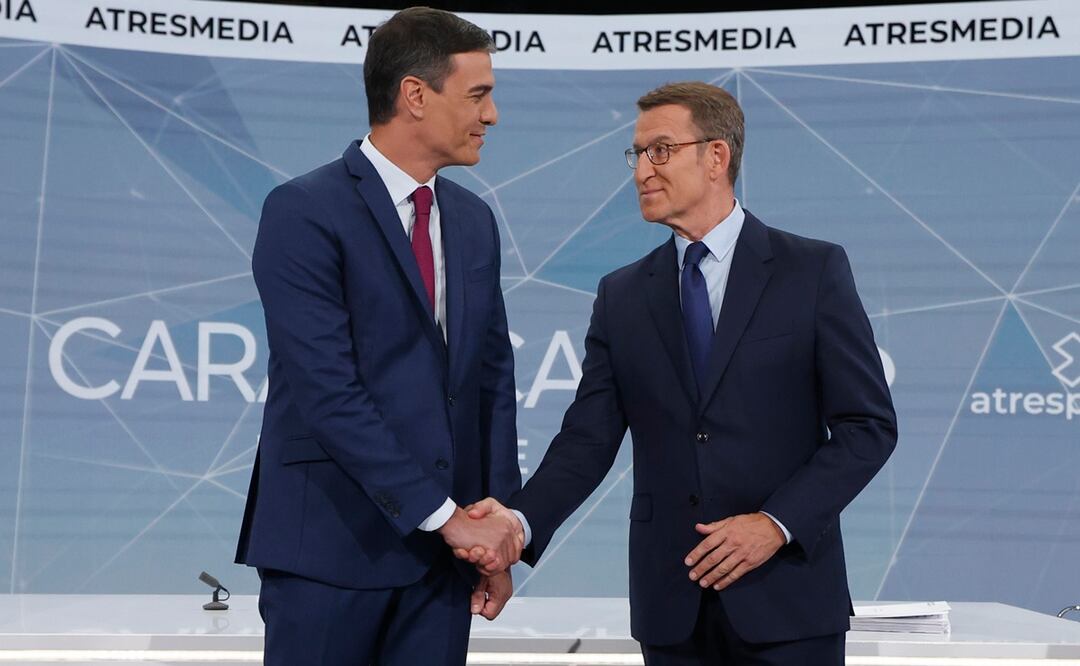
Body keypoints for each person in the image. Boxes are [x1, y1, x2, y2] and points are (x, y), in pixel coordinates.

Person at [468, 81, 898, 664]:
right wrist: (519, 521)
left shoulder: (812, 270)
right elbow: (588, 440)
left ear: (716, 156)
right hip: (672, 608)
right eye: (637, 154)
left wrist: (775, 523)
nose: (643, 169)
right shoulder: (621, 295)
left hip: (789, 602)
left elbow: (866, 427)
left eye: (661, 150)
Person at [234, 7, 524, 665]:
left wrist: (496, 529)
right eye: (478, 95)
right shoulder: (305, 210)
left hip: (443, 566)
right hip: (329, 553)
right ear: (415, 96)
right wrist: (445, 516)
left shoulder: (474, 221)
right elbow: (327, 391)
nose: (493, 115)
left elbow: (491, 380)